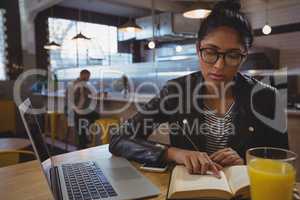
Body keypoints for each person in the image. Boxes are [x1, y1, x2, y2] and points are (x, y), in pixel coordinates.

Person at [109, 0, 288, 177]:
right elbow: (119, 138)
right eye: (210, 52)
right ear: (198, 49)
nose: (219, 65)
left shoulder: (266, 97)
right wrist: (175, 153)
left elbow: (283, 163)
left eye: (232, 55)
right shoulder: (176, 91)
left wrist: (247, 162)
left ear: (243, 56)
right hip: (189, 191)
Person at [66, 69, 100, 149]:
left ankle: (84, 140)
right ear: (82, 75)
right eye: (88, 76)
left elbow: (89, 94)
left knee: (84, 123)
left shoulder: (78, 83)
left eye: (89, 77)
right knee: (96, 116)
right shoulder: (78, 84)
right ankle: (85, 141)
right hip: (77, 111)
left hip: (77, 111)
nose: (88, 78)